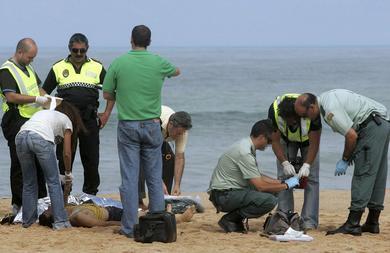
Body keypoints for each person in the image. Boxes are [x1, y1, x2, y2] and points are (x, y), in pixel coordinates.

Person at [102, 24, 180, 238]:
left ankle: (129, 227)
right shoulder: (158, 62)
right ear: (150, 41)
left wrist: (123, 91)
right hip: (153, 124)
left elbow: (107, 94)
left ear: (131, 40)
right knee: (154, 177)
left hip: (128, 125)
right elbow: (176, 70)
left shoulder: (119, 63)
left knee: (129, 177)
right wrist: (162, 76)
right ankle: (156, 224)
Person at [295, 89, 390, 236]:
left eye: (304, 115)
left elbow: (351, 136)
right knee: (377, 173)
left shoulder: (329, 111)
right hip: (382, 123)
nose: (304, 119)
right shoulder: (326, 97)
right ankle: (372, 222)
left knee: (363, 174)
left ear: (312, 107)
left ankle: (353, 224)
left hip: (371, 126)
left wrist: (345, 159)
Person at [43, 33, 113, 195]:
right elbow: (43, 92)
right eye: (75, 50)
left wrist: (106, 114)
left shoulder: (97, 67)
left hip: (89, 120)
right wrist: (50, 115)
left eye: (82, 50)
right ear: (70, 49)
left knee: (91, 160)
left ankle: (90, 195)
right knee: (64, 158)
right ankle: (62, 193)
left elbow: (111, 91)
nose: (79, 54)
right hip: (65, 121)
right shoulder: (58, 67)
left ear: (87, 49)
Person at [208, 119, 300, 233]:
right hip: (223, 195)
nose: (269, 145)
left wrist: (281, 182)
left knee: (275, 190)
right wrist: (286, 186)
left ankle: (235, 219)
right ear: (261, 137)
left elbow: (257, 176)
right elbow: (261, 186)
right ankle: (231, 219)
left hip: (227, 191)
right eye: (269, 141)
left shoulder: (246, 145)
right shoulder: (245, 152)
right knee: (269, 200)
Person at [15, 101, 86, 229]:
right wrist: (68, 172)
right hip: (40, 138)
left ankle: (28, 221)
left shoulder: (44, 113)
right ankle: (60, 222)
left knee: (29, 182)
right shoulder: (67, 121)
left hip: (20, 136)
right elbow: (67, 153)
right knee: (53, 182)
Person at [0, 38, 49, 213]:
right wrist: (36, 99)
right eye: (29, 57)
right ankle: (18, 204)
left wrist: (48, 99)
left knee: (39, 159)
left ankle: (41, 200)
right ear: (20, 52)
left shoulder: (28, 67)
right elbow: (11, 96)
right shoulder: (6, 71)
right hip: (15, 119)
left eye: (33, 58)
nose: (31, 60)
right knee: (19, 163)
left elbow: (38, 88)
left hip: (33, 120)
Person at [268, 94, 321, 230]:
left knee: (312, 179)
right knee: (283, 177)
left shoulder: (311, 114)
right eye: (289, 122)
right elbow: (274, 141)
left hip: (308, 141)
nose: (291, 124)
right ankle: (284, 216)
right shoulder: (274, 113)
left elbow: (315, 143)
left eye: (294, 122)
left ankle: (309, 221)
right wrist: (285, 162)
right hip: (285, 140)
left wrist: (307, 165)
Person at [138, 105, 192, 209]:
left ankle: (159, 200)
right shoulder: (157, 123)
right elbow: (150, 156)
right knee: (140, 163)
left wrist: (177, 185)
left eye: (182, 133)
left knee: (169, 159)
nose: (180, 135)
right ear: (171, 125)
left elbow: (180, 158)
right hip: (143, 133)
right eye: (178, 133)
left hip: (161, 139)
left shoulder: (182, 131)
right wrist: (159, 181)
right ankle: (138, 202)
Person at [39, 202, 195, 228]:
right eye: (48, 209)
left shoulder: (67, 209)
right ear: (53, 216)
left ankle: (170, 215)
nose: (49, 206)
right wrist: (124, 224)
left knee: (144, 213)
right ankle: (180, 218)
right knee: (144, 217)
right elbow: (102, 225)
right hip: (114, 215)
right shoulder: (76, 217)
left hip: (110, 208)